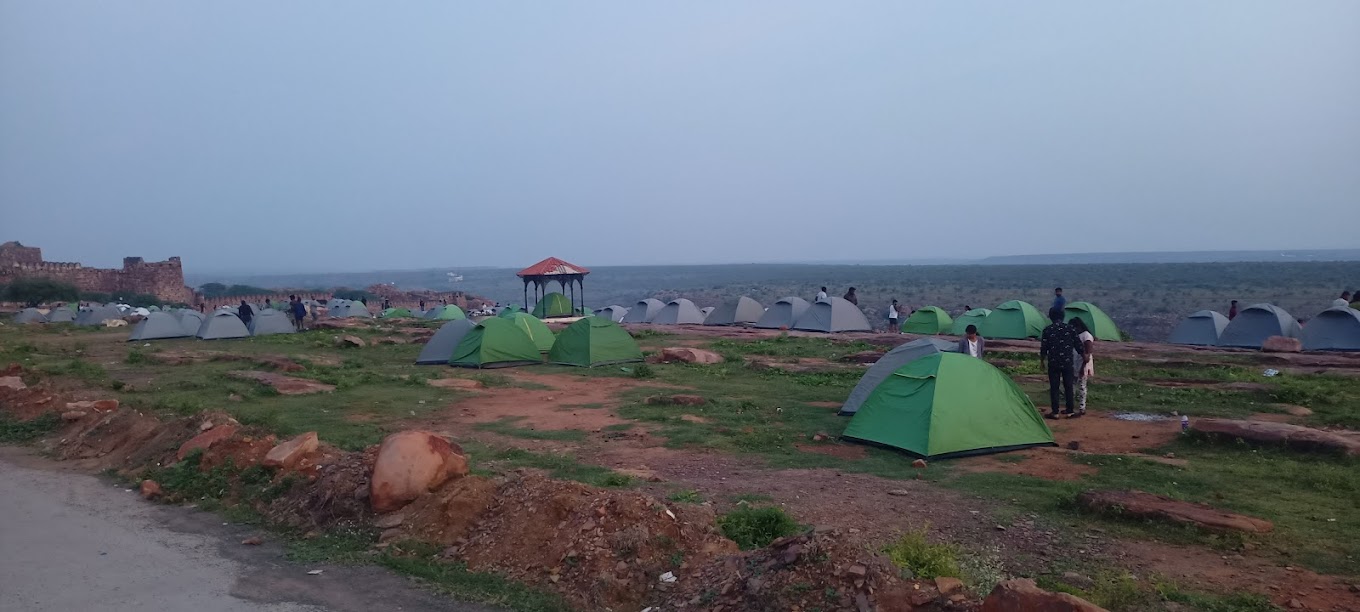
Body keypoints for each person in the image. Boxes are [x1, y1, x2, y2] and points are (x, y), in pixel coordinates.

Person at [1039, 307, 1083, 419]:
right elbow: (1078, 345)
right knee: (1068, 386)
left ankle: (1055, 412)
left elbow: (1044, 347)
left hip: (1053, 362)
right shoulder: (1070, 329)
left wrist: (1042, 361)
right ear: (1063, 317)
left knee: (1054, 387)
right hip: (1068, 362)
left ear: (1050, 317)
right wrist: (1084, 356)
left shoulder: (1047, 330)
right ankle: (1070, 411)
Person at [1071, 318, 1095, 415]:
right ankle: (1071, 406)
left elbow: (1087, 354)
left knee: (1082, 385)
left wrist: (1083, 367)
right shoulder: (1077, 335)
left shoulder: (1086, 336)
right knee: (1071, 385)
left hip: (1083, 363)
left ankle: (1082, 407)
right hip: (1075, 362)